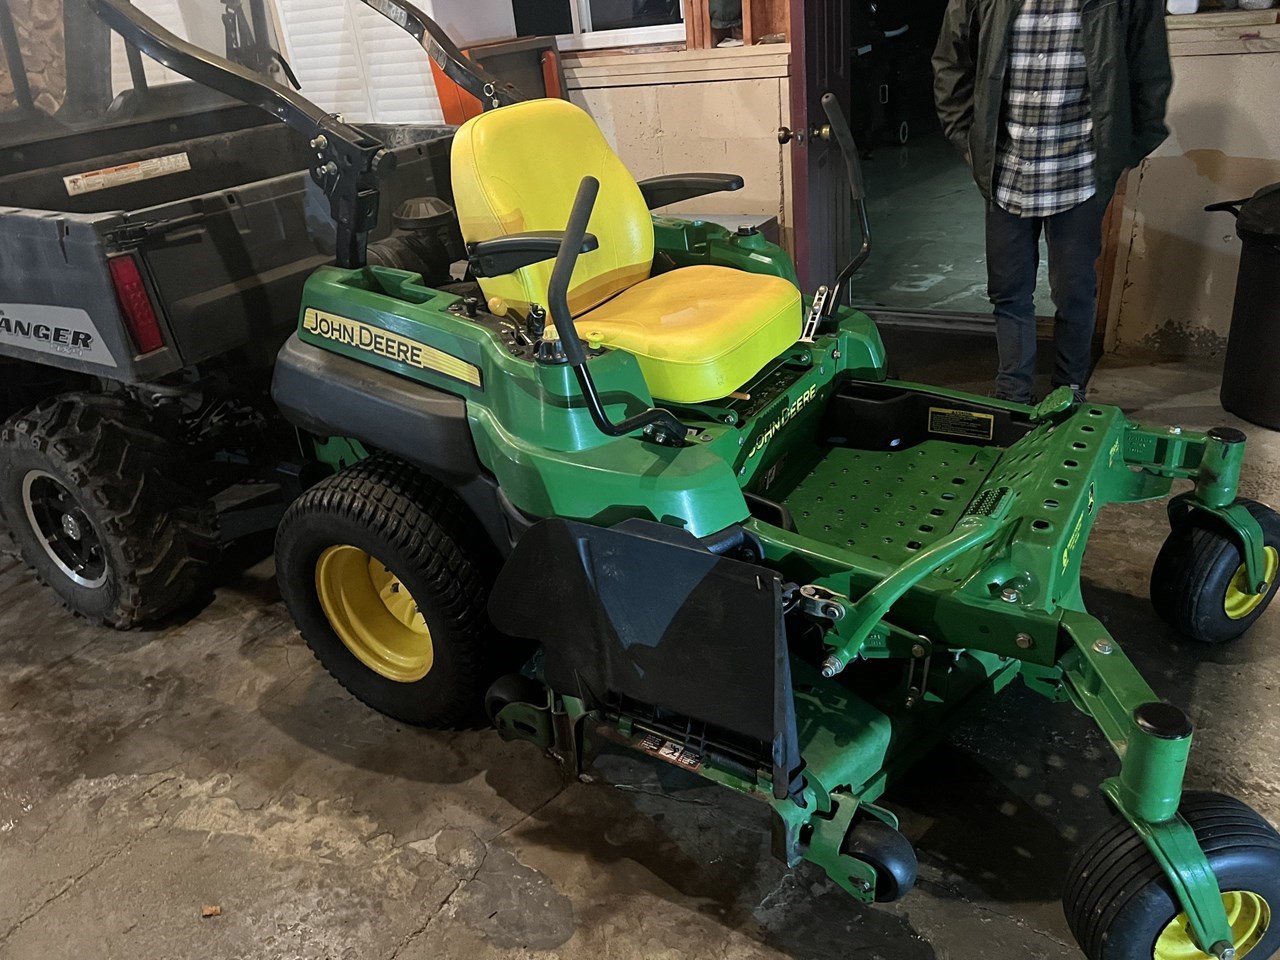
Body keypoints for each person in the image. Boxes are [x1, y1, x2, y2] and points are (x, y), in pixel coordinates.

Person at [932, 0, 1172, 402]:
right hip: (1005, 172)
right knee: (1009, 293)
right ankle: (1013, 393)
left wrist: (1118, 156)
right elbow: (951, 64)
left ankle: (1069, 391)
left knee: (1074, 293)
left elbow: (1151, 74)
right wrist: (969, 142)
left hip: (1079, 172)